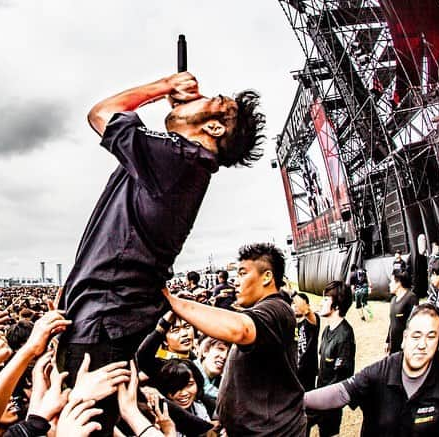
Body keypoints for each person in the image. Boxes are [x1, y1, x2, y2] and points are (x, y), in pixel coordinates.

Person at [57, 72, 265, 434]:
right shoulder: (180, 161)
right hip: (106, 320)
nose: (196, 96)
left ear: (214, 128)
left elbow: (102, 113)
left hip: (102, 324)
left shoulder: (179, 160)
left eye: (212, 101)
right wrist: (183, 110)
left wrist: (167, 86)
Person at [162, 242, 305, 437]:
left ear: (267, 277)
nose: (235, 281)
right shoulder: (266, 311)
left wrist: (173, 302)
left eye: (243, 273)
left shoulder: (275, 309)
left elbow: (240, 330)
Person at [304, 303, 439, 436]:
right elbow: (340, 392)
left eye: (431, 336)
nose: (422, 345)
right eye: (416, 336)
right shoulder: (379, 374)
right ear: (404, 338)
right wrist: (299, 400)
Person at [307, 281, 355, 437]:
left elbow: (342, 377)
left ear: (337, 306)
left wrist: (322, 400)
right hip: (319, 394)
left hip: (330, 402)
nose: (321, 302)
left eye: (326, 299)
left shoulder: (345, 336)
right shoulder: (327, 330)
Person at [291, 292, 319, 391]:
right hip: (294, 372)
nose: (295, 306)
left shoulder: (312, 321)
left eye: (297, 304)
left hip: (308, 372)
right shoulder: (291, 324)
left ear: (307, 306)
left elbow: (307, 312)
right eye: (293, 304)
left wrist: (293, 293)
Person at [386, 270, 417, 354]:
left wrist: (406, 340)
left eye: (391, 281)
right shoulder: (393, 300)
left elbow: (414, 323)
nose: (389, 284)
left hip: (405, 346)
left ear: (398, 283)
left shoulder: (411, 298)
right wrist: (388, 341)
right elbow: (392, 323)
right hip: (394, 344)